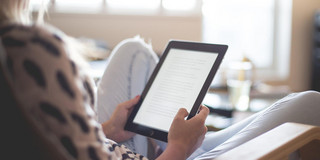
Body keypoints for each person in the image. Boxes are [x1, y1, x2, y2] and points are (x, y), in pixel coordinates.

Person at [1, 0, 320, 160]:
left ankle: (181, 141)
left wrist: (109, 129)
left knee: (134, 51)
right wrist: (178, 149)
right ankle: (188, 146)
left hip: (115, 145)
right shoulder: (28, 49)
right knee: (311, 103)